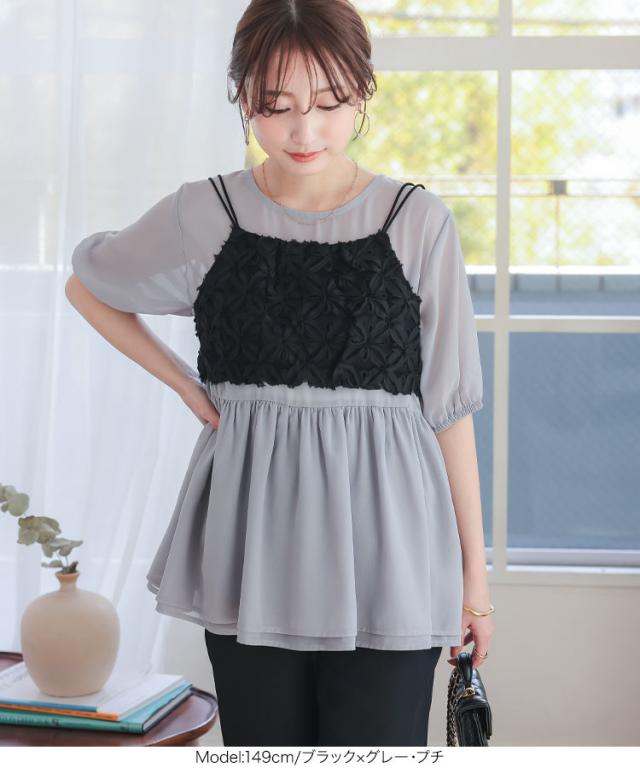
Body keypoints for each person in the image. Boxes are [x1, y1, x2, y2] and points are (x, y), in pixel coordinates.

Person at [66, 0, 495, 749]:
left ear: (362, 92)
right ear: (242, 97)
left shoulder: (419, 221)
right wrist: (184, 383)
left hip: (391, 549)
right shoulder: (204, 212)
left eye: (329, 103)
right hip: (252, 545)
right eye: (276, 105)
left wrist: (476, 585)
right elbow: (89, 286)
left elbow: (448, 411)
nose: (304, 130)